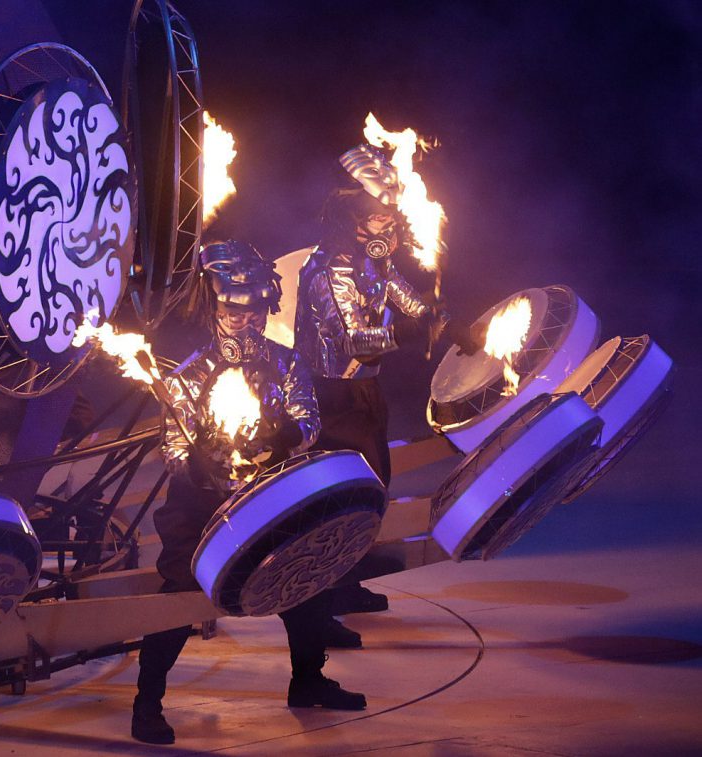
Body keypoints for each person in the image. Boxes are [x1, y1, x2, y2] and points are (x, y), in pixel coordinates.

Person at [132, 240, 364, 747]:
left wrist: (282, 438)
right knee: (181, 598)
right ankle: (147, 702)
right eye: (231, 309)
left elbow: (308, 420)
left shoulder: (287, 364)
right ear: (214, 307)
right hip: (201, 509)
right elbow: (172, 445)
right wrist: (195, 462)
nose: (242, 319)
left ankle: (307, 680)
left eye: (253, 308)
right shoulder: (187, 376)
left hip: (269, 496)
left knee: (305, 582)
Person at [295, 144, 480, 622]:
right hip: (333, 397)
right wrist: (409, 331)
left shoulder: (370, 263)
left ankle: (349, 582)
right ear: (353, 222)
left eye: (390, 218)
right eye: (380, 219)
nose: (390, 227)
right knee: (340, 497)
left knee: (373, 489)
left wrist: (445, 322)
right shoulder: (328, 272)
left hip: (364, 394)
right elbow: (357, 340)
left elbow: (409, 301)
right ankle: (325, 597)